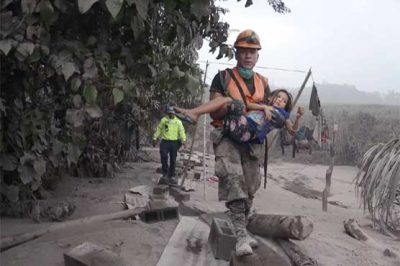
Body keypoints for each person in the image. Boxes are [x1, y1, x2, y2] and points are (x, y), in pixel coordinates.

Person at [194, 29, 302, 256]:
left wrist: (283, 119)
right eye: (244, 51)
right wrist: (232, 108)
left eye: (252, 52)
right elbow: (215, 110)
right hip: (227, 135)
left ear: (257, 56)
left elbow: (274, 110)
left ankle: (242, 229)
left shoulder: (263, 83)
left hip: (252, 142)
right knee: (234, 181)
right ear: (237, 53)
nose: (248, 56)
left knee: (251, 186)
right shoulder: (222, 77)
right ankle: (240, 236)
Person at [175, 89, 305, 144]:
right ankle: (195, 114)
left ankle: (194, 113)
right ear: (271, 98)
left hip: (249, 131)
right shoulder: (264, 106)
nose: (280, 100)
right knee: (227, 101)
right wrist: (265, 107)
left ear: (286, 105)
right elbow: (249, 105)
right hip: (240, 124)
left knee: (233, 103)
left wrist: (298, 117)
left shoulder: (283, 115)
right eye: (278, 97)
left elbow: (293, 131)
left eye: (284, 100)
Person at [153, 106, 187, 185]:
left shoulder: (178, 122)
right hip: (165, 141)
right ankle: (165, 172)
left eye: (172, 113)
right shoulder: (164, 120)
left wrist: (184, 140)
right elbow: (159, 129)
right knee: (163, 156)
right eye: (169, 113)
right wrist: (155, 137)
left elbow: (181, 131)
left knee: (173, 159)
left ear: (174, 113)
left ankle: (171, 175)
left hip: (174, 142)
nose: (170, 115)